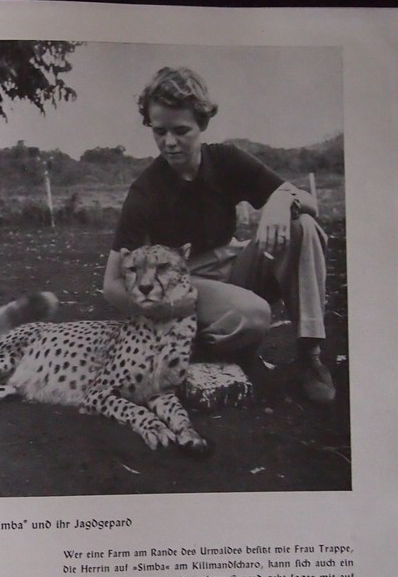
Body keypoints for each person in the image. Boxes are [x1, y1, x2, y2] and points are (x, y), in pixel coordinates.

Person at [102, 66, 335, 404]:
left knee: (303, 225)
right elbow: (111, 285)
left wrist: (282, 199)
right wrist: (169, 312)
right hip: (184, 282)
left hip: (231, 265)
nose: (169, 142)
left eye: (181, 130)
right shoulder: (146, 190)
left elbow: (311, 203)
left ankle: (309, 354)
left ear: (202, 125)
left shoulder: (226, 159)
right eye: (159, 131)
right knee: (254, 316)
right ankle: (191, 347)